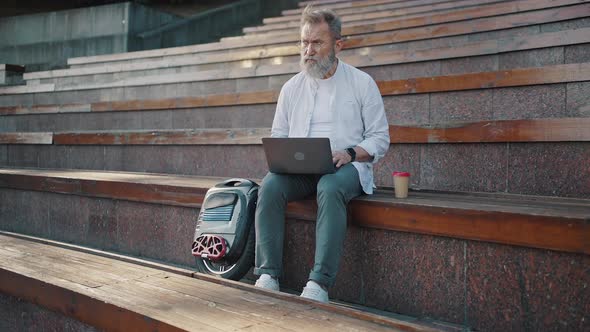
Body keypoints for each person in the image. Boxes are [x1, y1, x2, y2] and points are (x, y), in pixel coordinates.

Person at [253, 5, 390, 303]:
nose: (308, 50)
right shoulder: (291, 88)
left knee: (329, 187)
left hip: (346, 168)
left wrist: (350, 153)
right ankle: (267, 273)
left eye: (317, 43)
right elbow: (280, 136)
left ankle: (319, 284)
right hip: (301, 170)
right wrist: (284, 156)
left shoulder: (362, 83)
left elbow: (380, 138)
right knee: (270, 185)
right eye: (304, 42)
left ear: (338, 44)